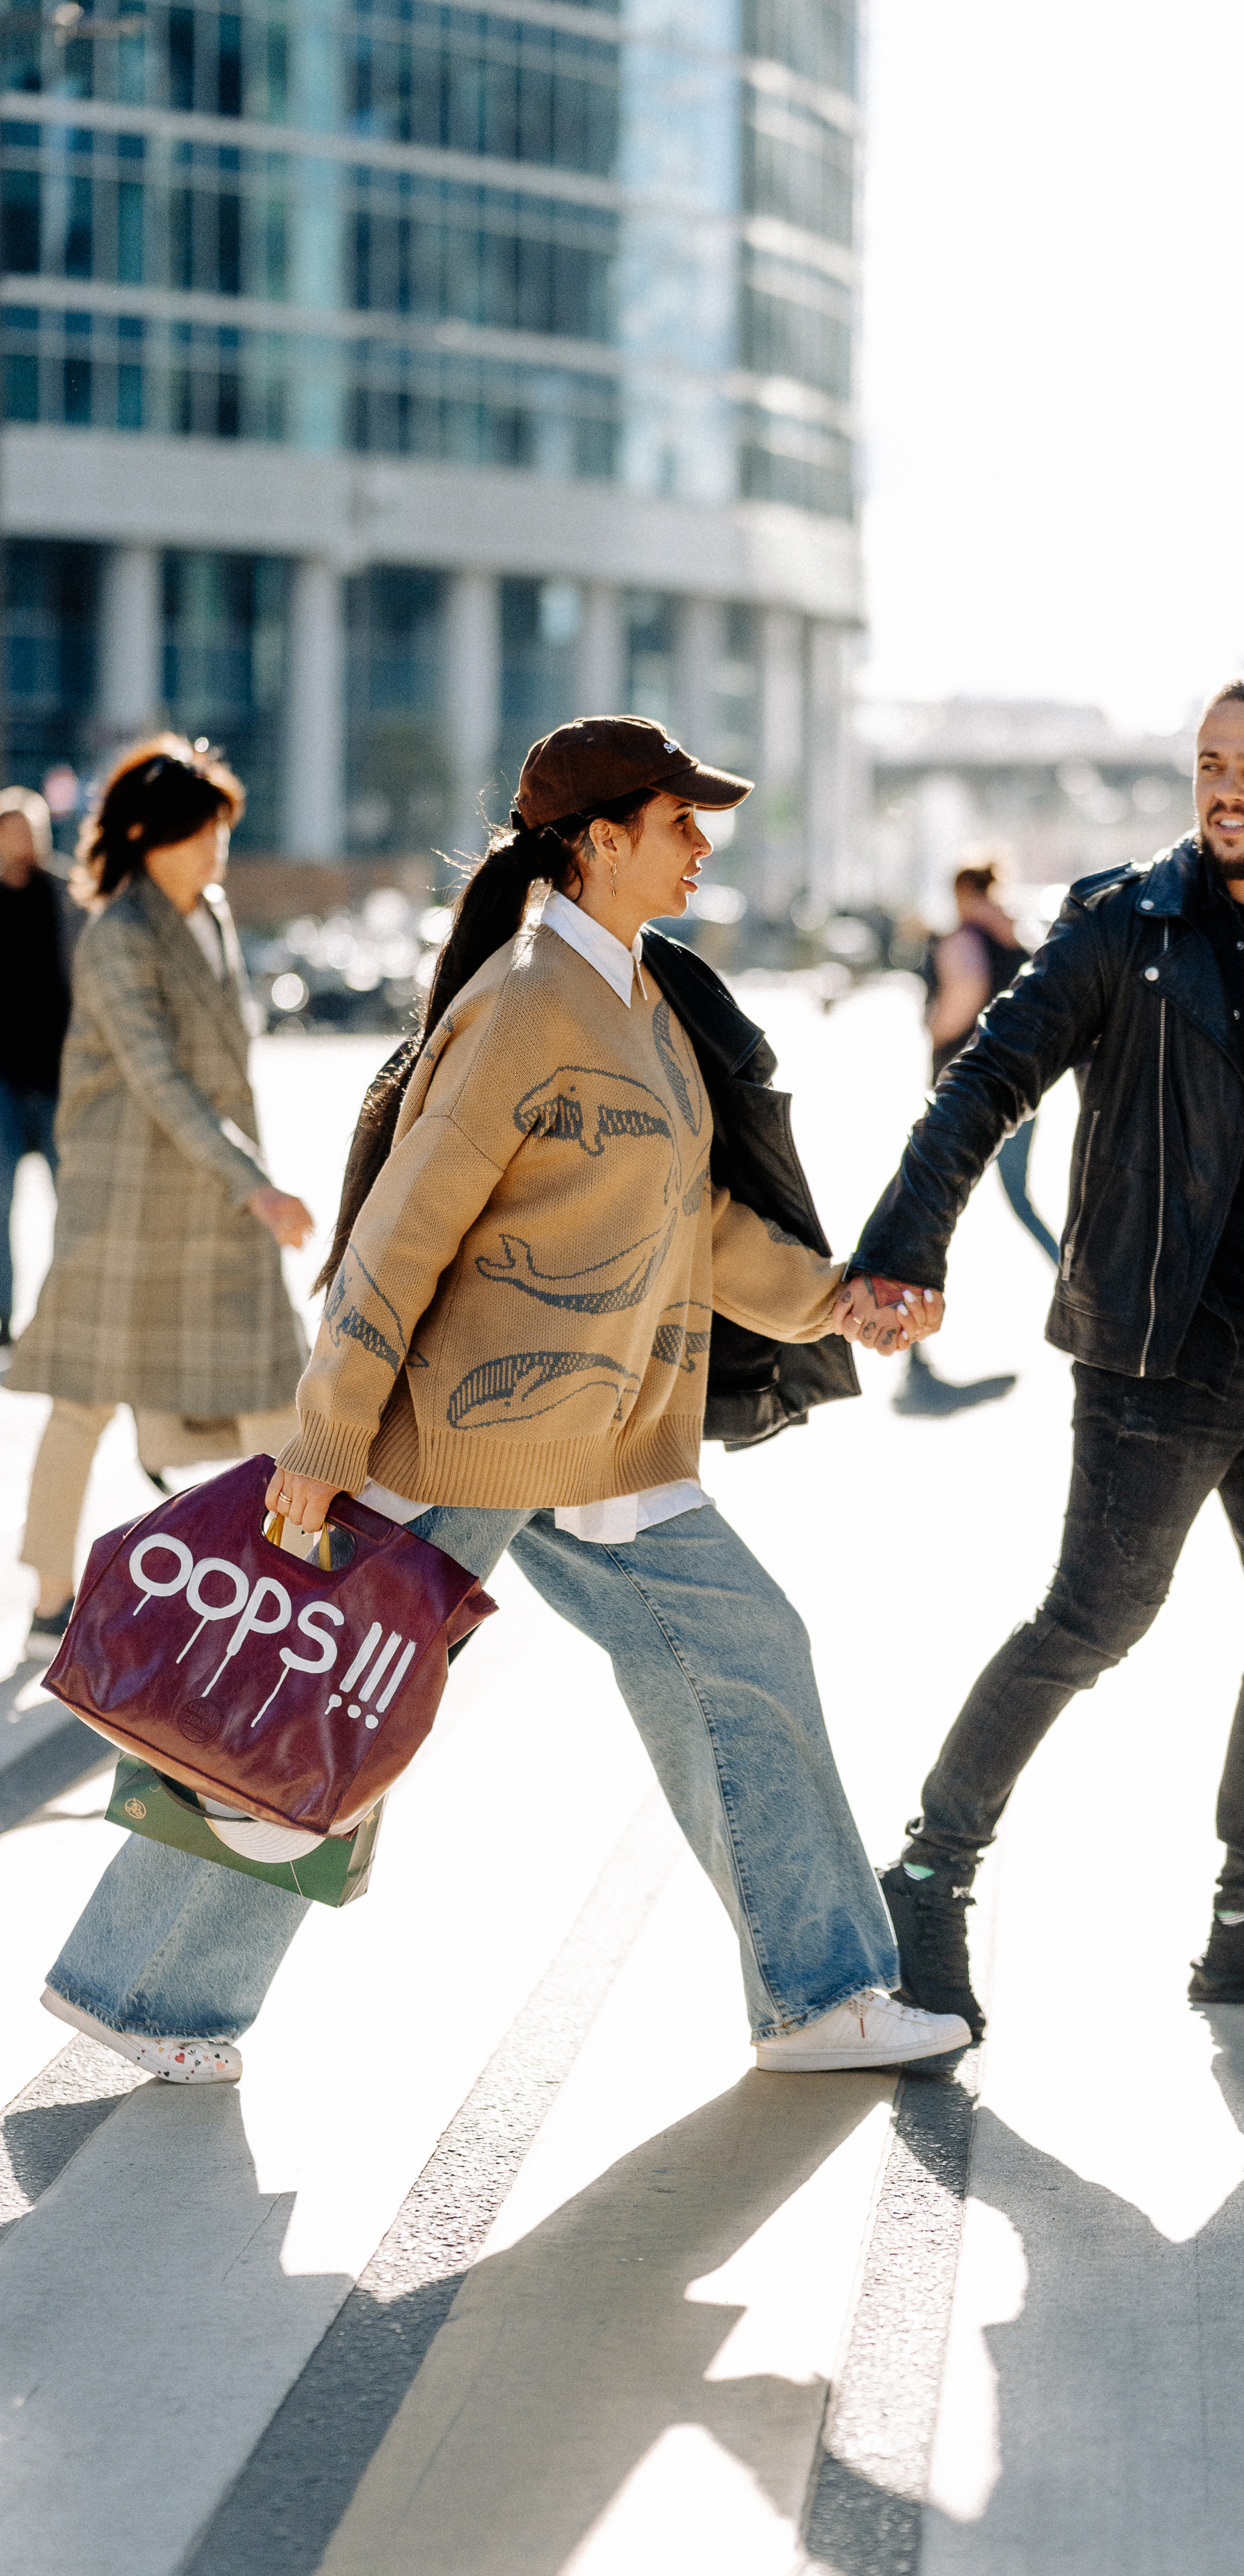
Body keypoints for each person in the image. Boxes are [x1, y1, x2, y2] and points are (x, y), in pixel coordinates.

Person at [40, 718, 967, 2085]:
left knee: (745, 1653)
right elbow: (405, 1226)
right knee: (309, 1693)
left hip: (603, 1440)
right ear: (595, 843)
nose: (701, 844)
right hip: (469, 1435)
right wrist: (325, 1435)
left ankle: (818, 1999)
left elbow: (688, 1221)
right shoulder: (528, 997)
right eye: (674, 823)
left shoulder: (637, 994)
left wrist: (832, 1299)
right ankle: (142, 1990)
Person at [836, 673, 1244, 2034]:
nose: (1225, 787)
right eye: (1207, 762)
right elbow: (985, 1080)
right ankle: (927, 1875)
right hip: (1160, 1347)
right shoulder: (1127, 927)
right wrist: (905, 1247)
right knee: (1090, 1622)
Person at [8, 738, 314, 1661]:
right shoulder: (116, 934)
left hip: (214, 1193)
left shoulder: (212, 914)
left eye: (220, 826)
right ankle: (48, 1597)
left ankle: (294, 1578)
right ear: (147, 836)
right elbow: (158, 1076)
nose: (217, 846)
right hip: (130, 1203)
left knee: (274, 1388)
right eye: (198, 830)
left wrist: (244, 1181)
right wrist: (257, 1186)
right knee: (83, 1400)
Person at [897, 852, 1055, 1419]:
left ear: (966, 892)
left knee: (935, 1203)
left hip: (963, 1091)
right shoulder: (1021, 933)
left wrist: (932, 1024)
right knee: (1020, 1197)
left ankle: (908, 1313)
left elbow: (958, 1001)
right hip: (1022, 1086)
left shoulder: (963, 937)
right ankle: (1078, 1288)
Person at [0, 785, 72, 1357]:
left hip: (58, 1080)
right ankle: (2, 1319)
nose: (19, 840)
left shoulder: (65, 896)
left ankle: (64, 1323)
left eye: (27, 828)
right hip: (1, 1082)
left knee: (72, 1210)